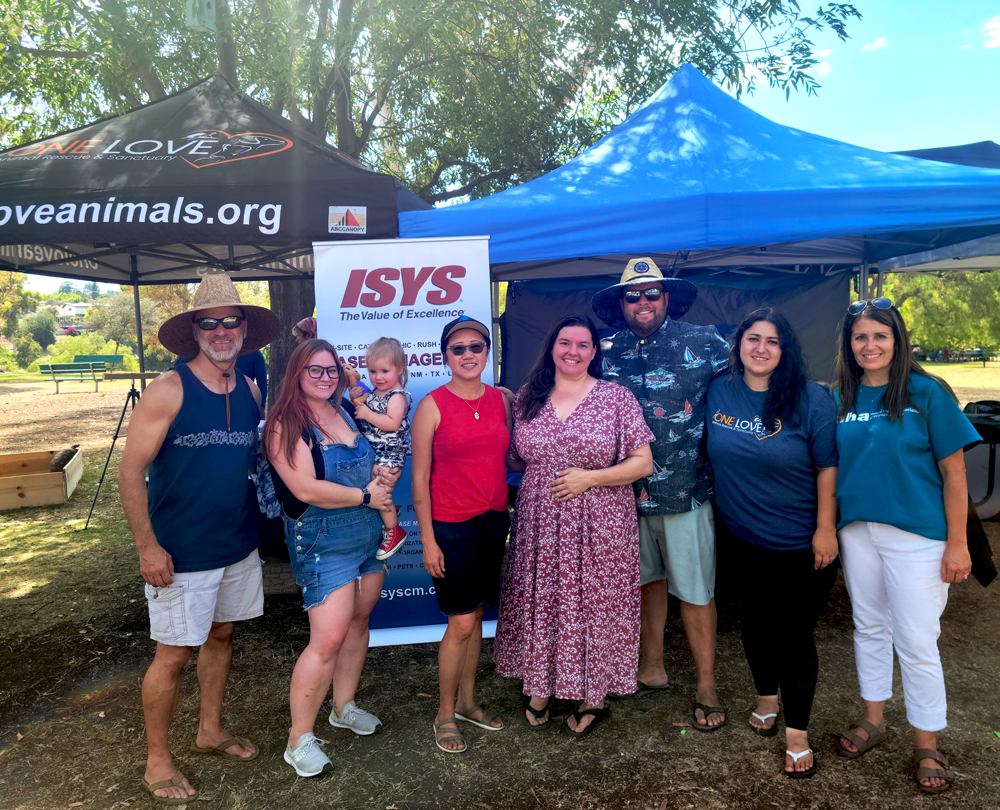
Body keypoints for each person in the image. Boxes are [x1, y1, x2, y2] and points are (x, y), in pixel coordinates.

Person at [118, 273, 279, 804]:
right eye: (208, 322)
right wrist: (147, 546)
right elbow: (129, 472)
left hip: (236, 542)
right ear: (194, 331)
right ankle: (157, 759)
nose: (221, 330)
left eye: (231, 320)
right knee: (173, 654)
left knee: (222, 635)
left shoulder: (251, 389)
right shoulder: (168, 390)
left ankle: (210, 730)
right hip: (180, 551)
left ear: (244, 329)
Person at [831, 297, 981, 795]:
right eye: (859, 337)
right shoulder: (841, 398)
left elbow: (955, 476)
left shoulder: (927, 393)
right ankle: (873, 719)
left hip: (917, 535)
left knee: (916, 640)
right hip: (857, 531)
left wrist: (958, 544)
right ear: (848, 345)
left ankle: (926, 741)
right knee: (868, 626)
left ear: (897, 340)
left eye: (879, 335)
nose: (869, 345)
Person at [495, 315, 654, 737]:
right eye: (564, 342)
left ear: (594, 352)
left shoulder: (615, 397)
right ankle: (542, 683)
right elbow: (517, 456)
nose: (573, 351)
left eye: (583, 344)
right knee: (545, 599)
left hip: (600, 518)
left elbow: (643, 462)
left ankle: (594, 692)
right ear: (551, 347)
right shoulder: (528, 396)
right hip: (540, 520)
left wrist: (590, 477)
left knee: (594, 602)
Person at [591, 257, 729, 730]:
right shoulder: (600, 350)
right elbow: (562, 386)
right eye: (633, 295)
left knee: (694, 588)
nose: (643, 301)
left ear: (667, 298)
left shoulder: (705, 343)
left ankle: (706, 682)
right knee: (644, 582)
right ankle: (651, 667)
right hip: (621, 496)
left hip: (685, 490)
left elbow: (753, 381)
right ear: (621, 303)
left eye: (652, 293)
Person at [705, 308, 838, 777]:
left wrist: (825, 528)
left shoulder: (810, 398)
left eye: (773, 341)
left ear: (786, 351)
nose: (761, 348)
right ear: (738, 344)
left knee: (793, 634)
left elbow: (827, 466)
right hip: (742, 536)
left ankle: (797, 732)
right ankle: (766, 697)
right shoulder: (720, 389)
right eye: (753, 338)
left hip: (800, 541)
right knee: (756, 624)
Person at [261, 339, 398, 777]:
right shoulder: (285, 423)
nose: (325, 377)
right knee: (327, 642)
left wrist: (377, 476)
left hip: (367, 533)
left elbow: (362, 462)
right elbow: (304, 488)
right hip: (323, 539)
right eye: (314, 370)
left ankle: (343, 707)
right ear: (296, 374)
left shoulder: (341, 409)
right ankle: (298, 739)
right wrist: (365, 494)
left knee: (360, 622)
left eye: (331, 370)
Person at [411, 315, 511, 753]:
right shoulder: (431, 405)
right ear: (444, 355)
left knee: (477, 618)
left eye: (476, 346)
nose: (468, 354)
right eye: (458, 348)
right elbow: (418, 482)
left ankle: (470, 703)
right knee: (461, 620)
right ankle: (444, 713)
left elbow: (511, 458)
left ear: (487, 352)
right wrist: (428, 540)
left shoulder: (501, 400)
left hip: (493, 519)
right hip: (450, 524)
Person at [351, 337, 412, 560]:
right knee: (376, 489)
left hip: (389, 453)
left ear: (400, 369)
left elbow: (392, 422)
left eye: (384, 370)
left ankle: (394, 531)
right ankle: (389, 512)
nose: (378, 377)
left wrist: (367, 414)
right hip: (375, 453)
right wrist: (355, 397)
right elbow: (361, 403)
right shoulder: (376, 392)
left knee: (379, 491)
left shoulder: (397, 396)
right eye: (372, 371)